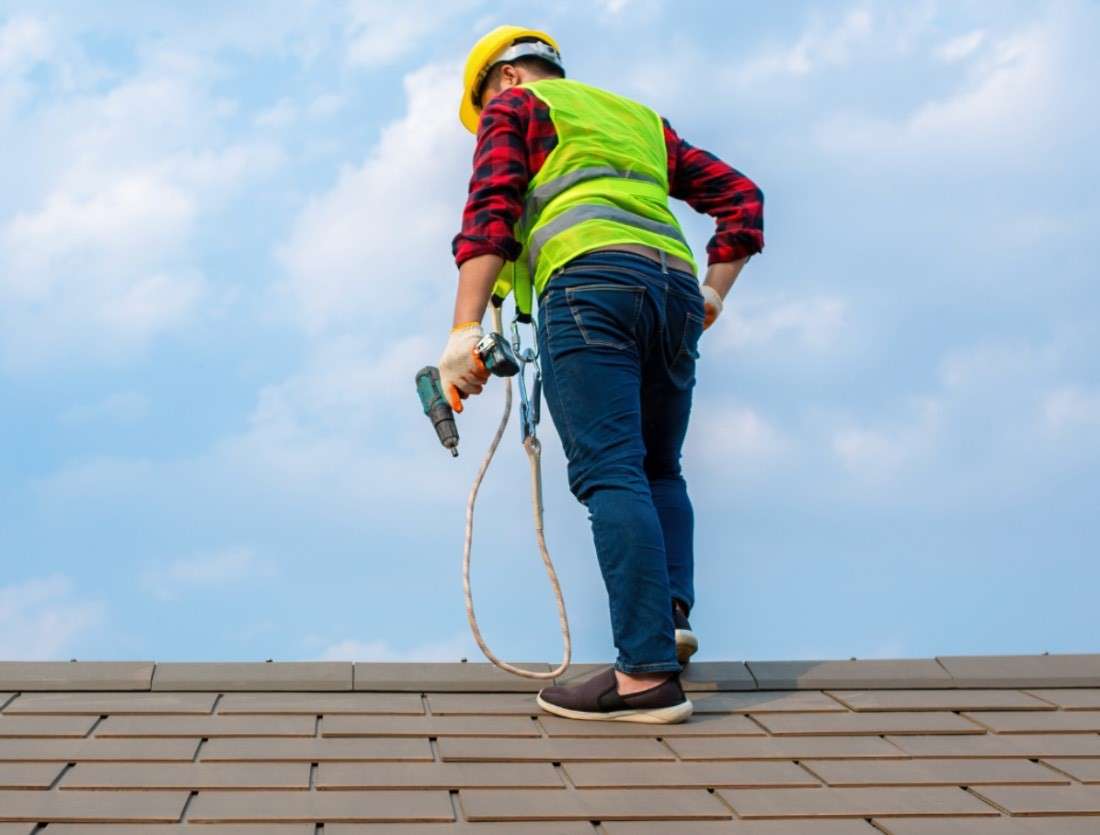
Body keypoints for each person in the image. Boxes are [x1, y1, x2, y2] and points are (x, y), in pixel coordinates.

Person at [438, 25, 764, 723]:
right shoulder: (639, 120)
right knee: (658, 468)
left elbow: (491, 214)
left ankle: (644, 678)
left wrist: (463, 330)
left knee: (610, 470)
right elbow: (742, 198)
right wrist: (712, 293)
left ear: (504, 80)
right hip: (673, 289)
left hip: (590, 286)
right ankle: (666, 622)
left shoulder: (516, 110)